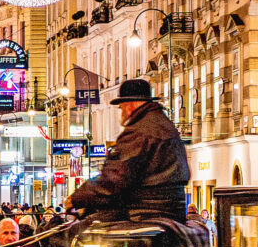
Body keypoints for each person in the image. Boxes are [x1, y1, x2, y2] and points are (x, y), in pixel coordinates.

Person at [66, 78, 190, 226]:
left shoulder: (141, 131)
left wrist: (77, 198)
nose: (121, 113)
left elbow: (115, 179)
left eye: (121, 108)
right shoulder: (163, 124)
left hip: (143, 210)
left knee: (73, 234)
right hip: (173, 209)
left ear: (129, 106)